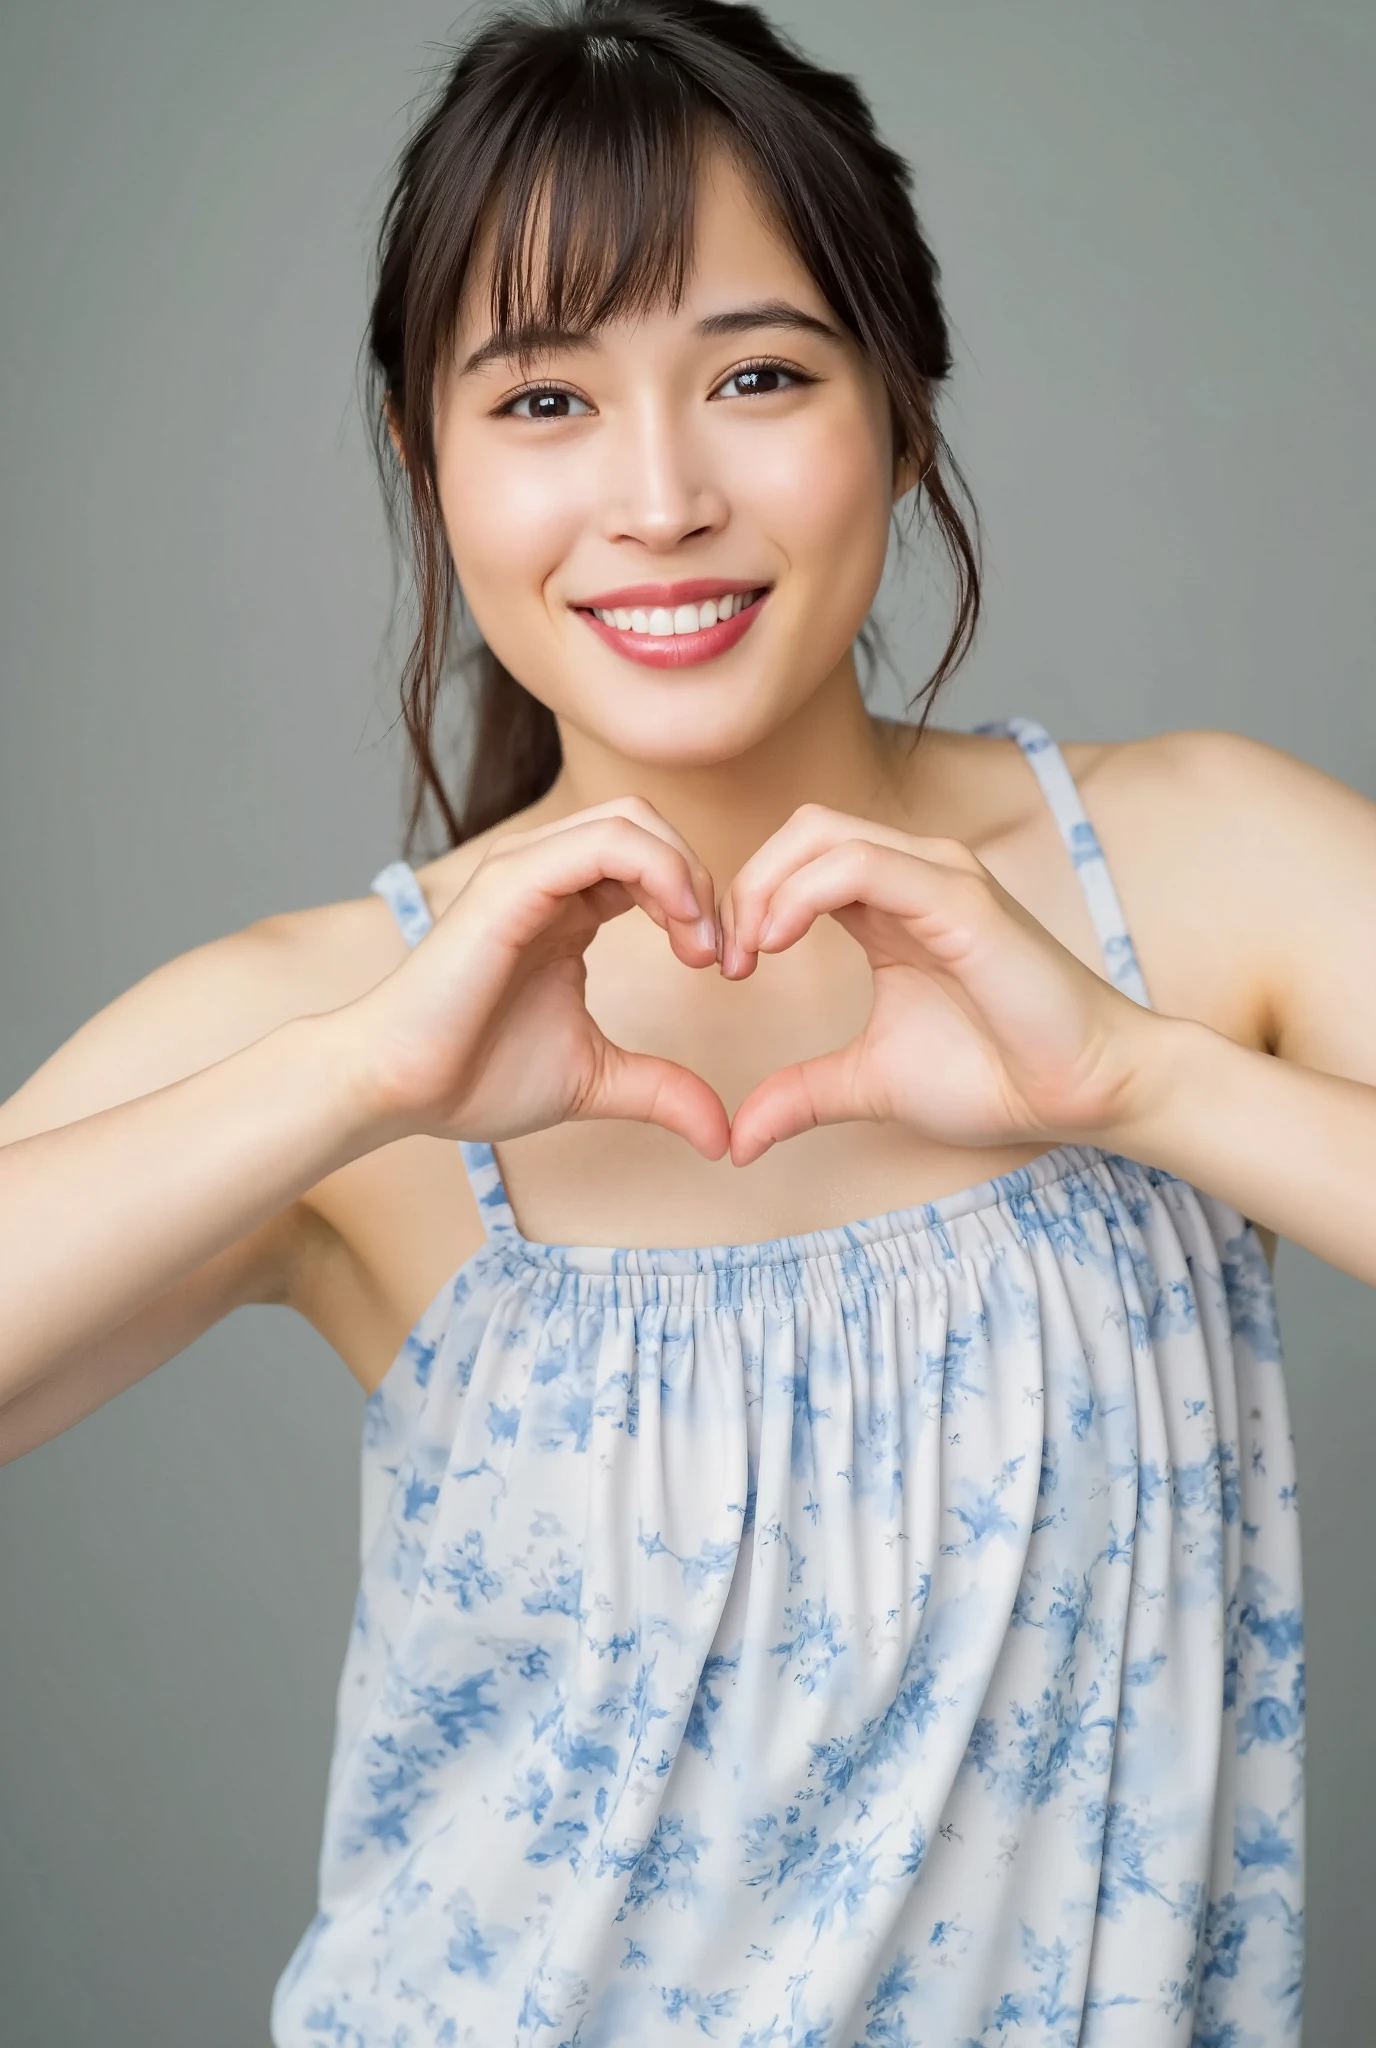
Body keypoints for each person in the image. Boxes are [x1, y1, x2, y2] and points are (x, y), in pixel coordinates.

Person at [2, 0, 1372, 2038]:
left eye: (754, 373)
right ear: (425, 456)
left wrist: (1136, 1077)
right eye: (543, 400)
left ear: (901, 407)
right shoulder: (344, 1023)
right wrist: (363, 1078)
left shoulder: (1193, 872)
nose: (657, 497)